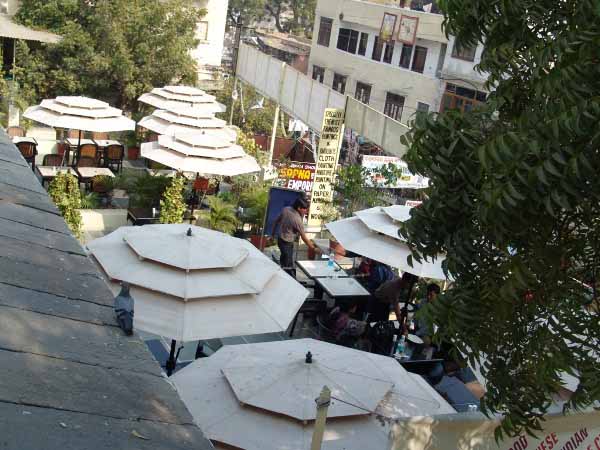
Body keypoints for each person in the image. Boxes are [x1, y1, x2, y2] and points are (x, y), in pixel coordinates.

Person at [271, 197, 318, 276]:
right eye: (305, 209)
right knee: (288, 267)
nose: (307, 211)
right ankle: (290, 282)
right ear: (299, 208)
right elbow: (304, 238)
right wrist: (313, 248)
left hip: (280, 239)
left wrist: (272, 234)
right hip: (287, 243)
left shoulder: (286, 209)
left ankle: (281, 276)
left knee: (284, 261)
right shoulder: (297, 219)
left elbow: (276, 221)